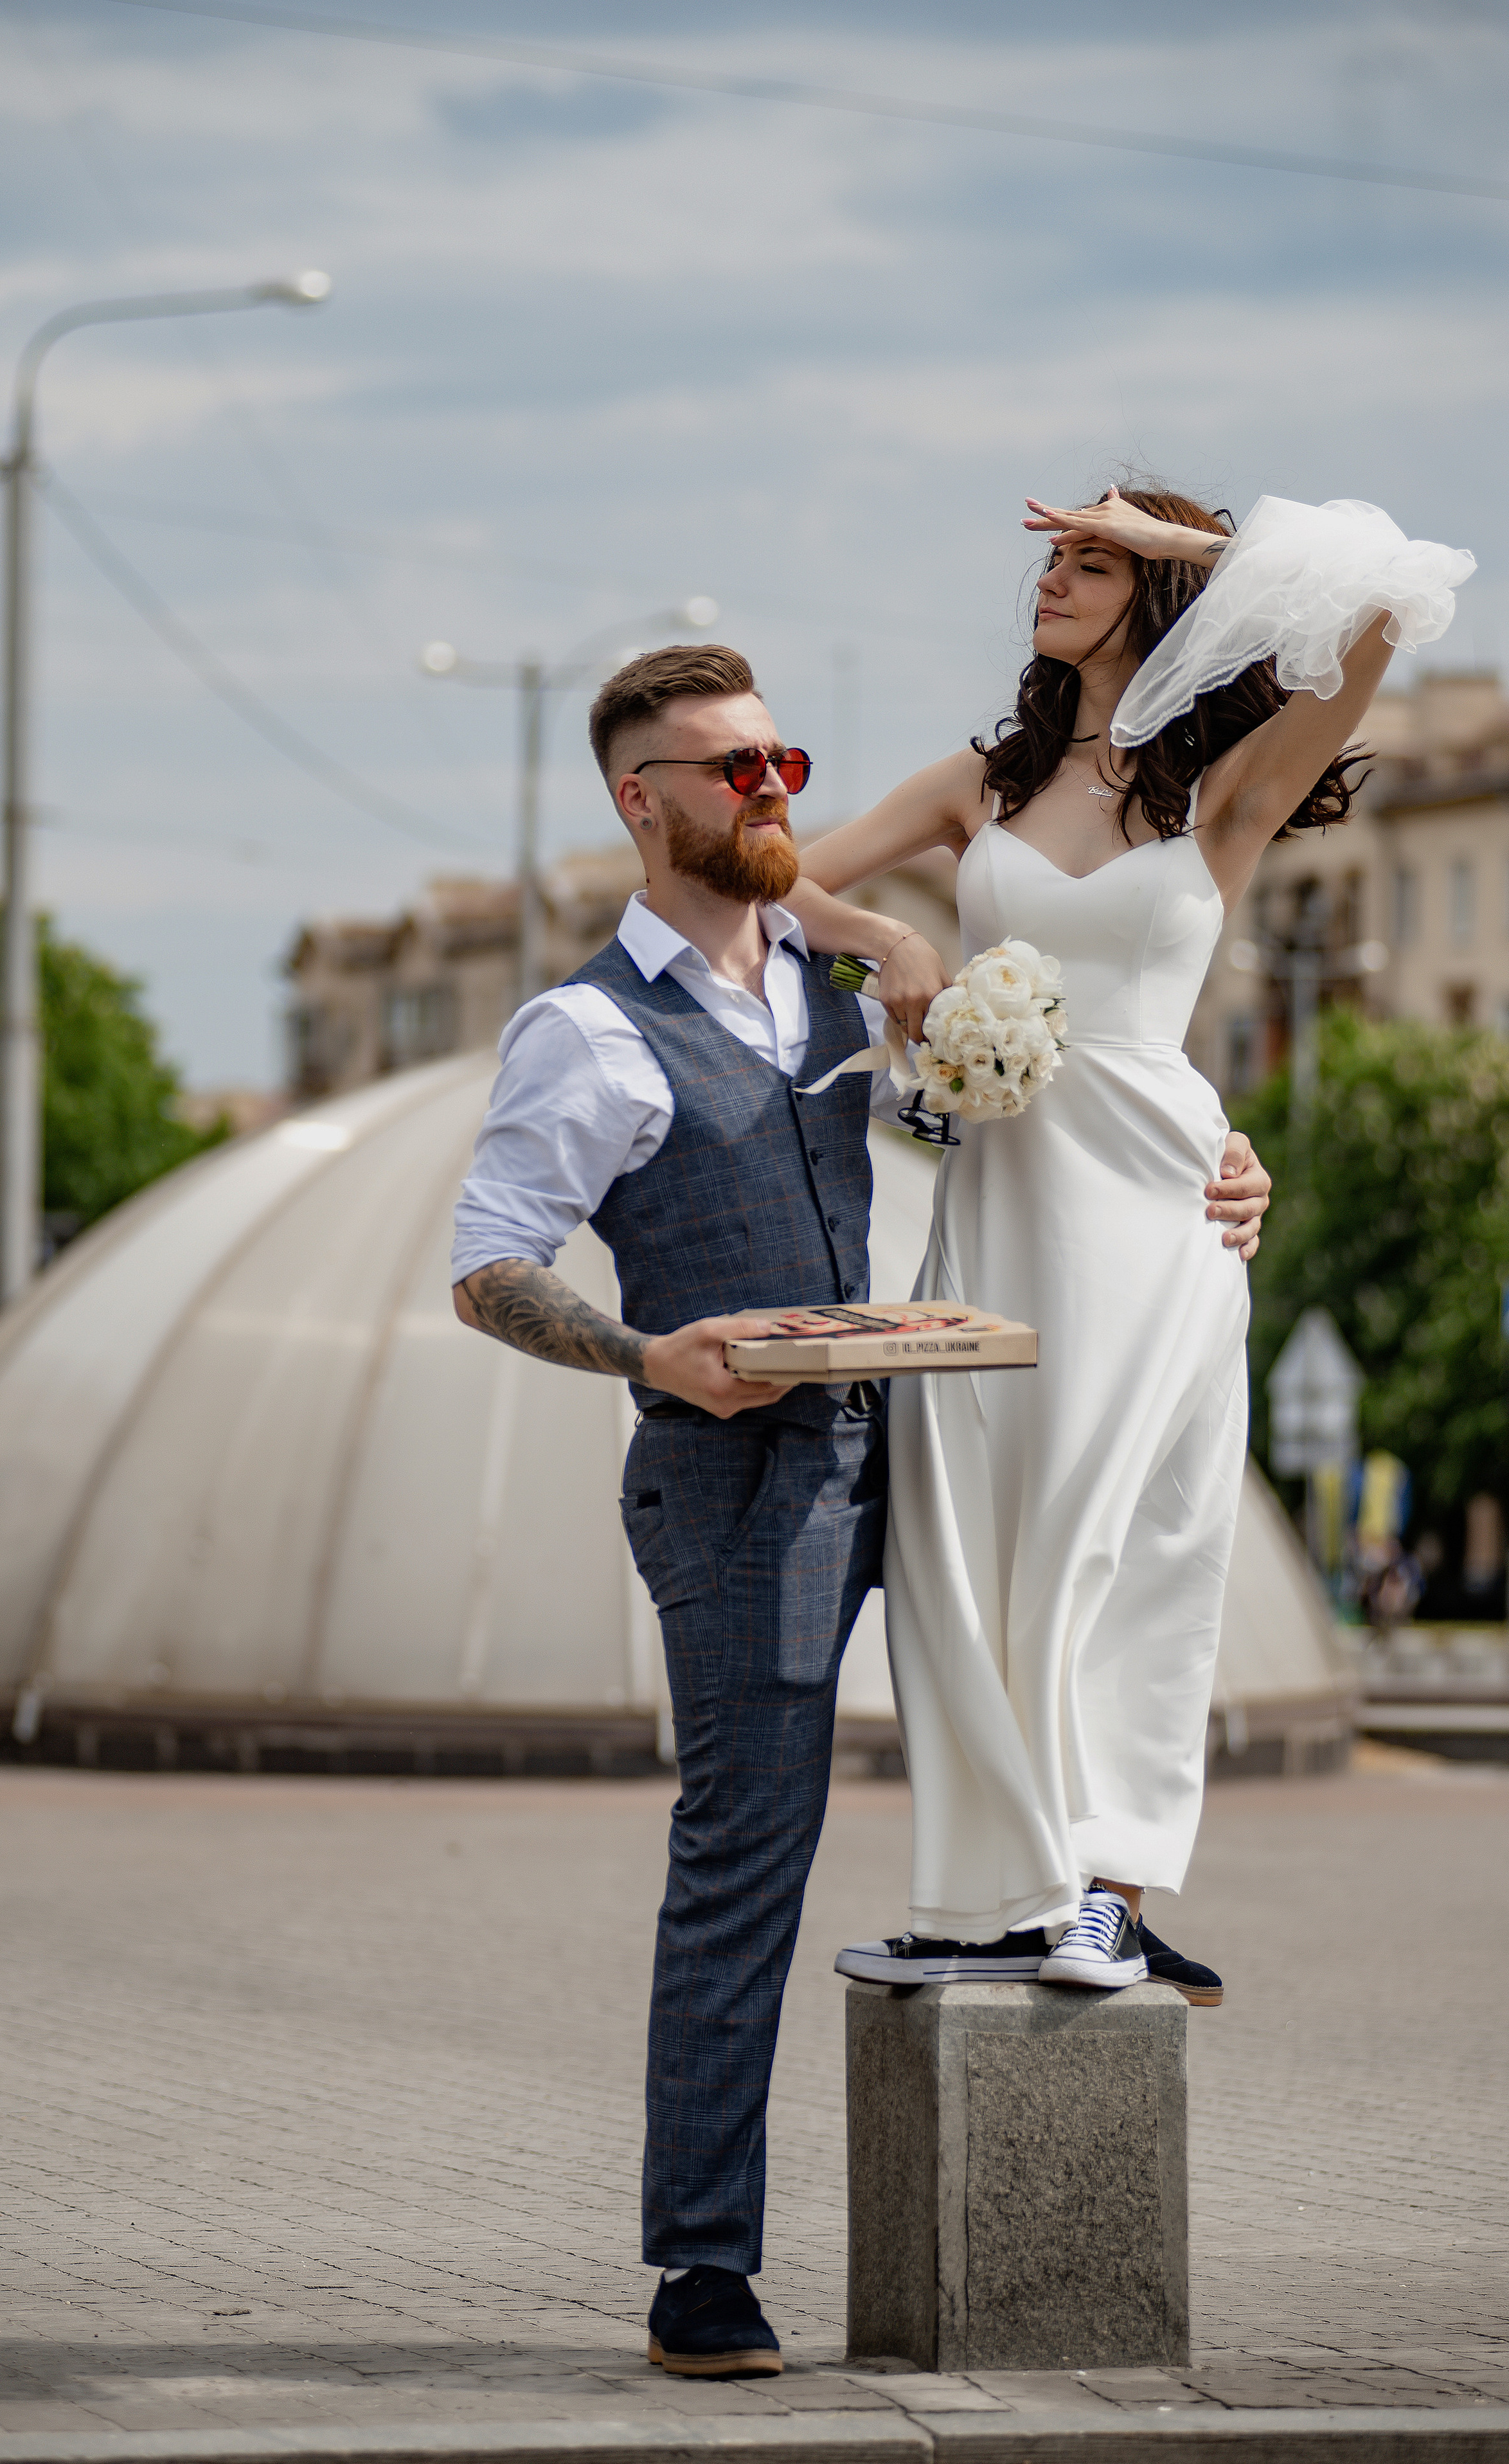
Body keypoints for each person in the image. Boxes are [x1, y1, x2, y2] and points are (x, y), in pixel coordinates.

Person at [449, 641, 1273, 2375]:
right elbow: (488, 1265)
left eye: (781, 761)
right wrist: (647, 1356)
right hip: (735, 1483)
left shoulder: (841, 998)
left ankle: (1078, 1892)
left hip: (900, 1437)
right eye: (727, 770)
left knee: (1070, 1598)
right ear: (641, 803)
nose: (768, 792)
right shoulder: (590, 1030)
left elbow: (1021, 1130)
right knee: (746, 1861)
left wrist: (1215, 1147)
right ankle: (702, 2273)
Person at [785, 485, 1472, 1999]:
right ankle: (981, 1898)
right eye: (1049, 555)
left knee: (1138, 1541)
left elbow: (1382, 607)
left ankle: (1107, 1890)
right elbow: (777, 881)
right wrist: (897, 944)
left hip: (1163, 1198)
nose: (1051, 577)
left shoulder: (1221, 787)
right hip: (995, 1201)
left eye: (1089, 561)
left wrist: (1181, 547)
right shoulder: (985, 779)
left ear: (1158, 596)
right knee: (965, 1538)